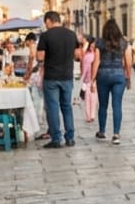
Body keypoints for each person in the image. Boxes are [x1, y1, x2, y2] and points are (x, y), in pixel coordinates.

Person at [37, 11, 81, 148]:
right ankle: (70, 138)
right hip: (67, 76)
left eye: (46, 23)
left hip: (51, 77)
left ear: (49, 21)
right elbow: (78, 55)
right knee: (67, 106)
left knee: (53, 108)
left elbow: (40, 57)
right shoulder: (71, 34)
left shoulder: (45, 36)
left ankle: (56, 139)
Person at [94, 19, 132, 145]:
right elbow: (128, 61)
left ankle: (102, 131)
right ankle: (116, 134)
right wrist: (128, 76)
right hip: (118, 76)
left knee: (103, 105)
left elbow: (96, 61)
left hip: (103, 75)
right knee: (117, 105)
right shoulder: (124, 43)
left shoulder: (99, 42)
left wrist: (92, 79)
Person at [80, 36, 99, 125]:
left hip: (90, 79)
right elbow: (85, 68)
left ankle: (90, 116)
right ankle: (91, 116)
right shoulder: (91, 54)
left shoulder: (90, 54)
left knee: (90, 98)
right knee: (90, 98)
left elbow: (84, 68)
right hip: (91, 79)